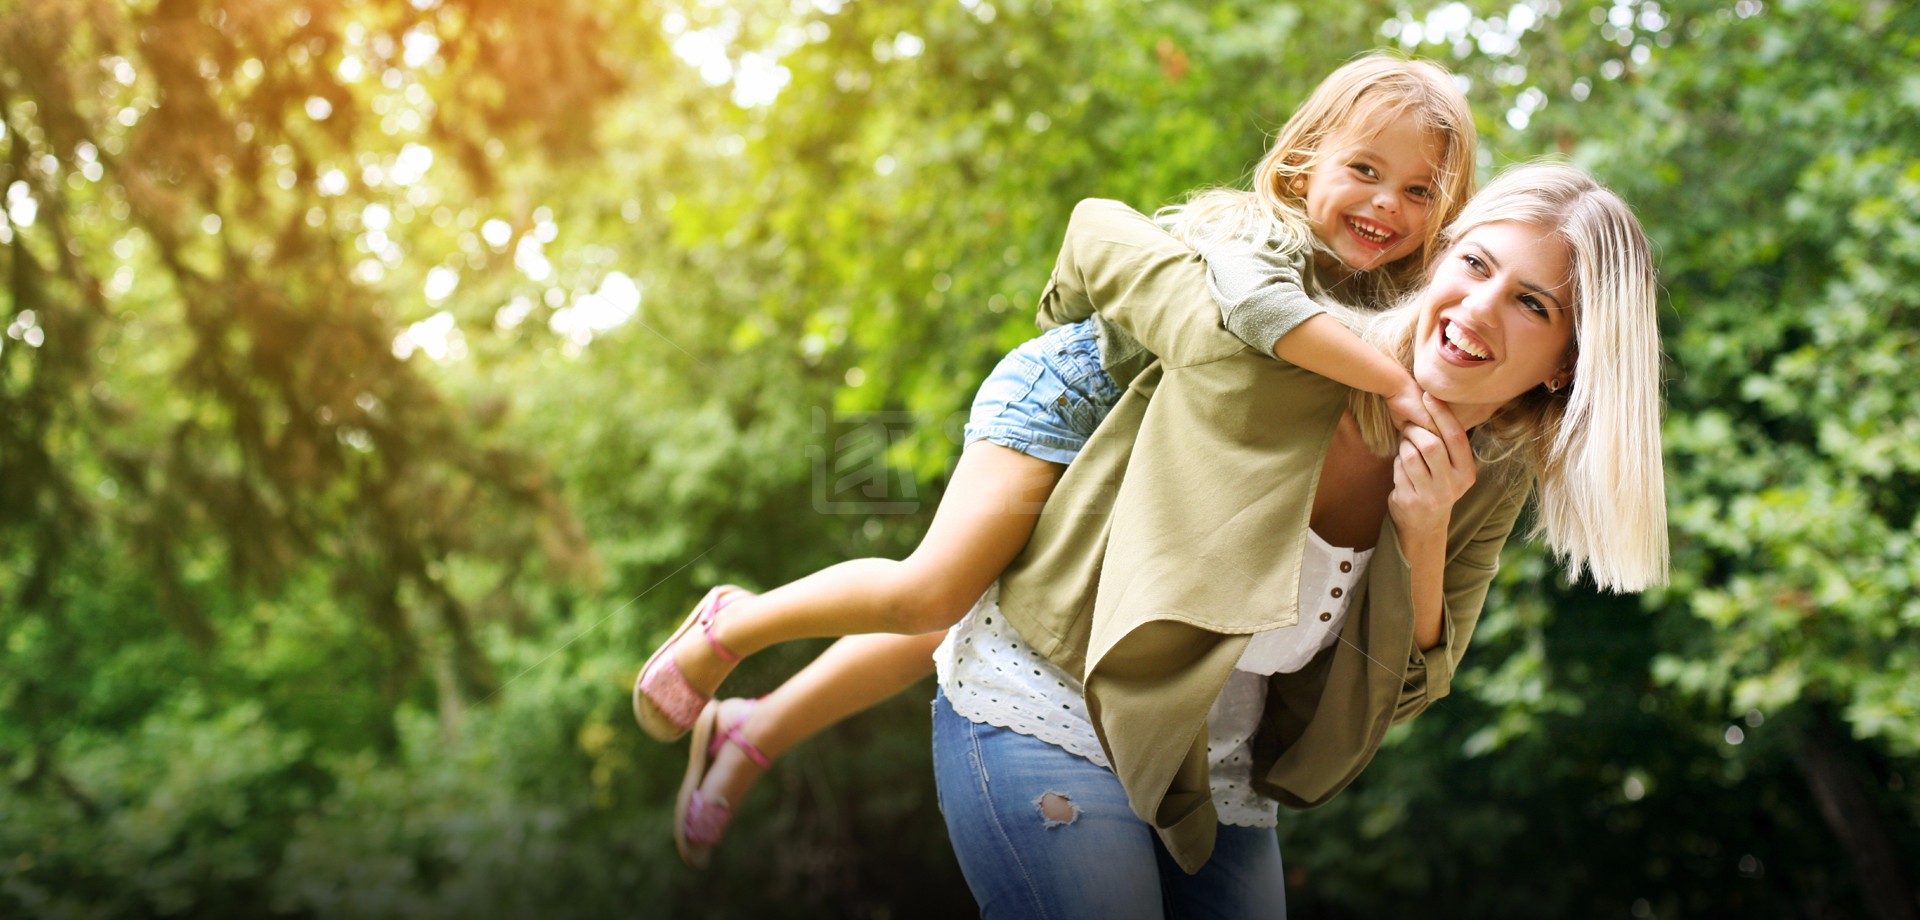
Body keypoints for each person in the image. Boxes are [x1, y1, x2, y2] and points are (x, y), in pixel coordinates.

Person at [632, 53, 1480, 866]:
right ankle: (729, 624)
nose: (1386, 205)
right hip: (1073, 400)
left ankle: (754, 728)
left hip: (1147, 455)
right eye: (1365, 170)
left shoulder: (1399, 305)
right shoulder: (1258, 236)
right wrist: (1397, 388)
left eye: (1417, 192)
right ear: (1301, 165)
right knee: (937, 590)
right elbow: (1259, 315)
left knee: (961, 622)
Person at [931, 162, 1668, 916]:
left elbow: (1405, 694)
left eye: (1531, 304)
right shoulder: (1290, 344)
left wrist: (1424, 534)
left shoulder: (1488, 483)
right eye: (1474, 263)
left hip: (1215, 778)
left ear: (1567, 364)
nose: (1478, 309)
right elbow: (1102, 236)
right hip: (1052, 701)